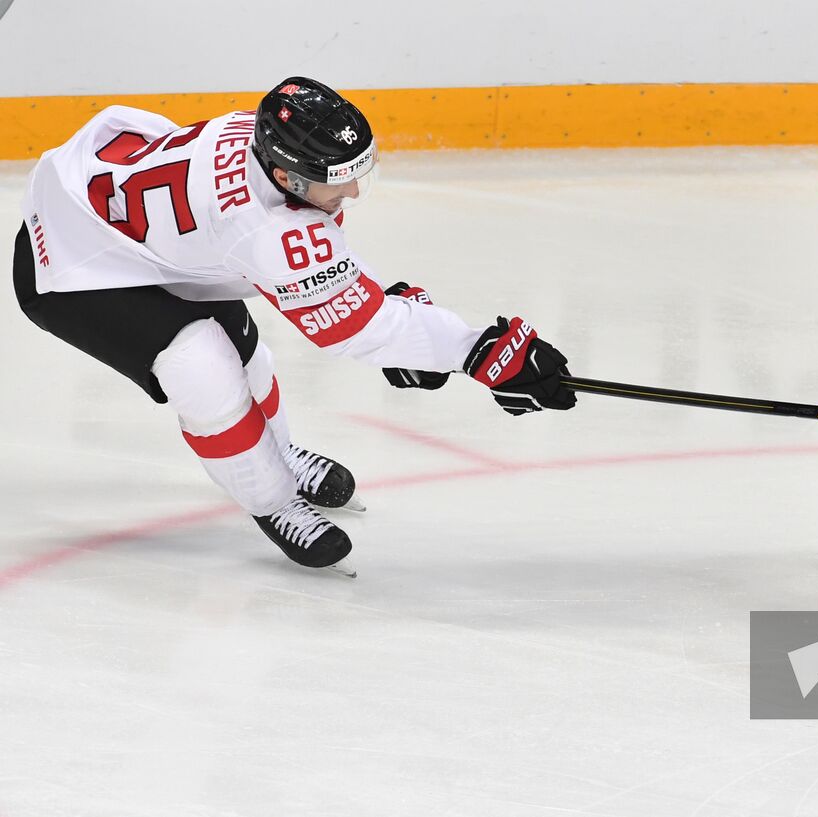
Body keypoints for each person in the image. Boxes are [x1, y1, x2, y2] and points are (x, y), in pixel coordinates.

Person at [14, 77, 576, 575]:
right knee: (203, 366)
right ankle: (272, 499)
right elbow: (352, 326)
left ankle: (276, 451)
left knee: (245, 350)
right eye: (340, 181)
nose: (353, 192)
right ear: (286, 176)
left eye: (361, 174)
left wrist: (405, 317)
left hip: (129, 226)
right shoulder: (263, 228)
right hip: (70, 268)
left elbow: (328, 272)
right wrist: (481, 351)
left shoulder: (265, 154)